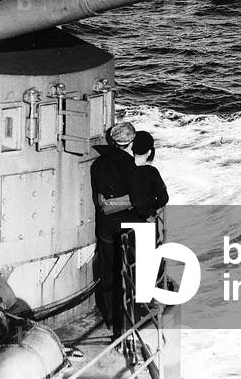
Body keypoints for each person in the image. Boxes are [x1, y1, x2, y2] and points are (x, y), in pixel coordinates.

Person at [89, 121, 136, 330]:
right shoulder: (130, 165)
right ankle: (125, 318)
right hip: (125, 226)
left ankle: (109, 318)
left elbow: (99, 195)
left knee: (108, 270)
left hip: (105, 225)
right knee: (128, 272)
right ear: (130, 142)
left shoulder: (97, 164)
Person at [128, 131, 168, 222]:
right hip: (145, 221)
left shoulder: (125, 169)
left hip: (125, 221)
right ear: (150, 152)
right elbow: (164, 198)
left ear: (131, 148)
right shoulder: (152, 172)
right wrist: (151, 209)